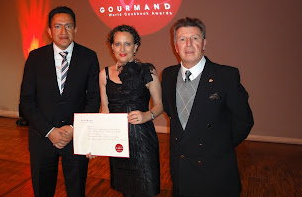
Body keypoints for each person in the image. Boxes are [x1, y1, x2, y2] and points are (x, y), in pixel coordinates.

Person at [161, 17, 254, 197]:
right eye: (182, 39)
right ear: (175, 45)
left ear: (204, 43)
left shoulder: (226, 76)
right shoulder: (168, 75)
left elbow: (244, 121)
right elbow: (170, 111)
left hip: (215, 173)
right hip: (181, 171)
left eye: (195, 38)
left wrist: (218, 146)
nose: (188, 44)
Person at [20, 6, 100, 197]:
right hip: (42, 138)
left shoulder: (89, 57)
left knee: (77, 191)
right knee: (42, 191)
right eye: (57, 26)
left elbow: (94, 98)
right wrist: (49, 131)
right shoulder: (35, 58)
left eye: (68, 26)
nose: (63, 32)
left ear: (75, 29)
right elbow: (26, 101)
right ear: (49, 31)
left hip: (76, 138)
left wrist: (73, 128)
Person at [99, 24, 163, 197]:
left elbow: (159, 105)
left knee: (145, 188)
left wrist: (146, 115)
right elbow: (104, 112)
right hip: (117, 142)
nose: (122, 49)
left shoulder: (147, 70)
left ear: (136, 46)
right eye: (118, 44)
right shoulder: (104, 74)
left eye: (127, 44)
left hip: (142, 139)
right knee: (126, 189)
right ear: (111, 46)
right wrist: (95, 144)